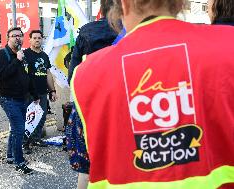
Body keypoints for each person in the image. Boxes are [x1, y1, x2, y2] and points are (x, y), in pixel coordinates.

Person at [71, 0, 234, 188]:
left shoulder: (88, 74)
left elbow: (85, 164)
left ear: (122, 4)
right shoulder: (227, 45)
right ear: (181, 3)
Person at [66, 0, 117, 188]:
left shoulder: (87, 31)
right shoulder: (128, 31)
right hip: (120, 101)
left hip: (90, 103)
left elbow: (73, 73)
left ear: (101, 10)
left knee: (86, 168)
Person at [0, 27, 39, 174]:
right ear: (8, 38)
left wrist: (35, 95)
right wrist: (17, 60)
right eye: (14, 36)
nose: (17, 38)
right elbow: (2, 75)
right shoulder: (2, 54)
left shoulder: (23, 55)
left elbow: (28, 76)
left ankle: (10, 156)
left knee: (15, 130)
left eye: (20, 36)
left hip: (23, 99)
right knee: (19, 130)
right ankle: (19, 162)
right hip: (9, 99)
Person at [23, 30, 57, 154]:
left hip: (43, 92)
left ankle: (36, 139)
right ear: (30, 40)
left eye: (39, 38)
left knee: (41, 117)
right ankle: (25, 142)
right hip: (29, 93)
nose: (37, 40)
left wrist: (52, 90)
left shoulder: (44, 56)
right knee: (28, 118)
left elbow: (48, 73)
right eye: (35, 38)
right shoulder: (25, 54)